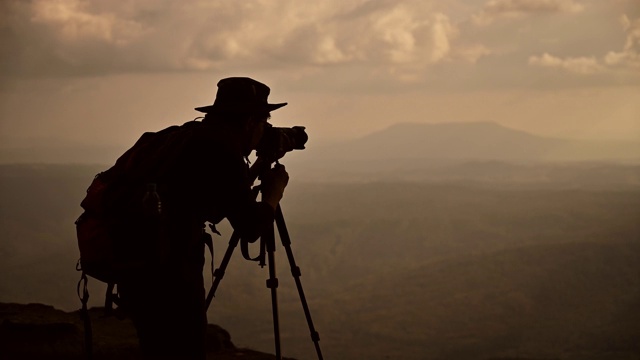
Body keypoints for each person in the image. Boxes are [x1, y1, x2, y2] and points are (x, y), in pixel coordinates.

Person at [118, 77, 290, 359]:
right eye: (263, 122)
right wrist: (273, 194)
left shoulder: (191, 139)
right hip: (171, 277)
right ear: (249, 121)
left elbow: (219, 202)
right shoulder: (222, 151)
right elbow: (249, 227)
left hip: (138, 268)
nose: (264, 130)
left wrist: (257, 165)